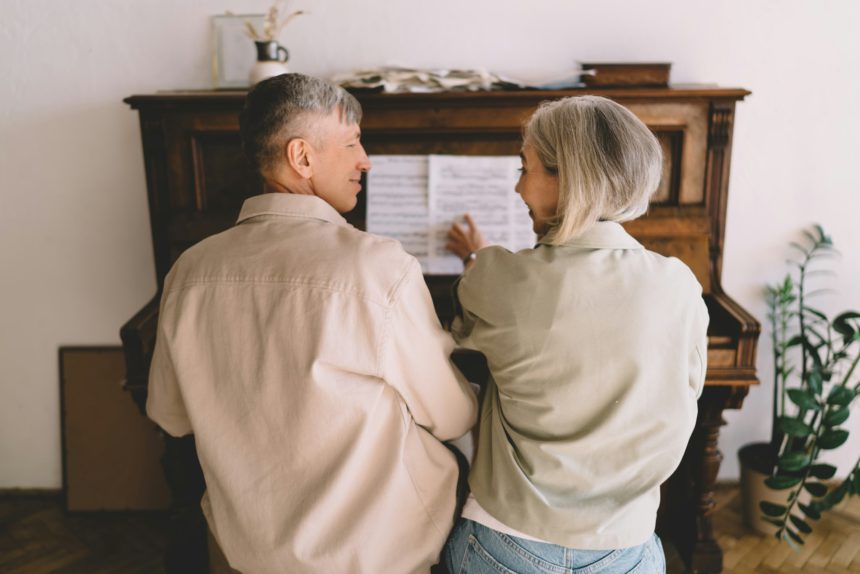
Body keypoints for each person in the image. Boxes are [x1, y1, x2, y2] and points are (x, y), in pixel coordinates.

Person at [146, 73, 477, 574]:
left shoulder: (188, 270)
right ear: (301, 158)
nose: (365, 160)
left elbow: (171, 417)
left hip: (250, 549)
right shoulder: (379, 265)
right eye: (352, 143)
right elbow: (453, 416)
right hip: (377, 552)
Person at [443, 95, 709, 573]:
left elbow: (463, 329)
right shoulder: (680, 284)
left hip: (505, 543)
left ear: (568, 177)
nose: (519, 188)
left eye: (524, 168)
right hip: (625, 551)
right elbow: (686, 393)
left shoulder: (495, 277)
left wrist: (476, 259)